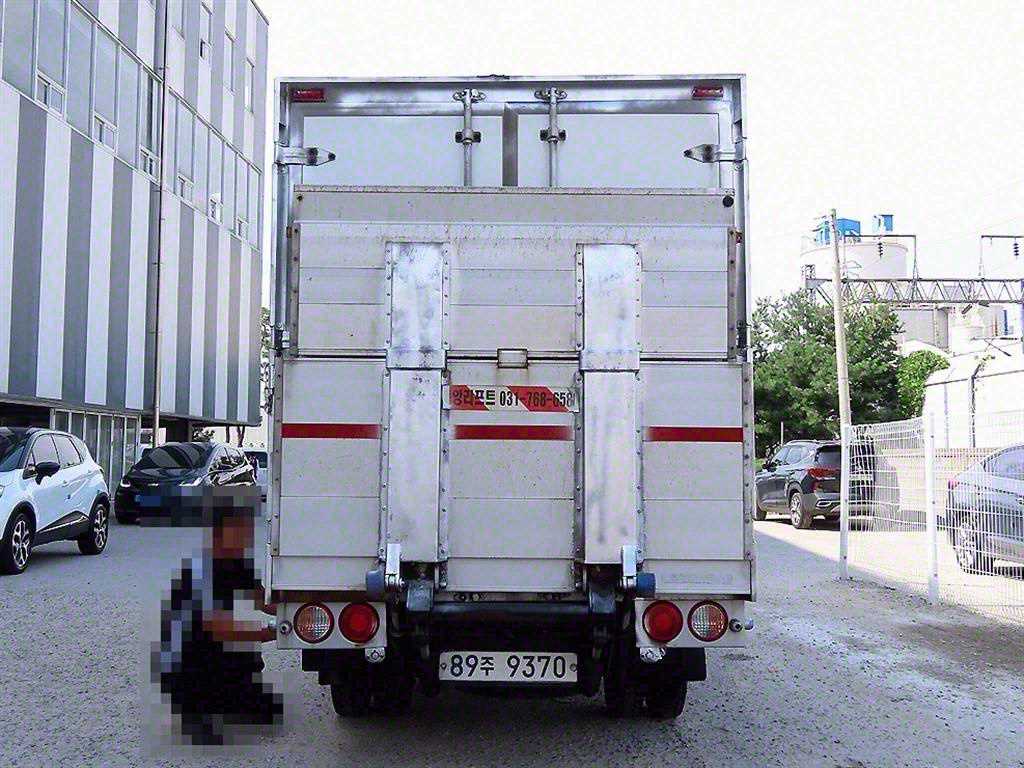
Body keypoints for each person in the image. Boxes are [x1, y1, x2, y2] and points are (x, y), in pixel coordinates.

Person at [152, 491, 282, 745]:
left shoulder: (236, 564)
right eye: (238, 531)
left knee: (267, 706)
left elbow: (263, 601)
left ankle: (225, 703)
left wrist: (297, 614)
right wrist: (269, 633)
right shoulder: (202, 571)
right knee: (233, 654)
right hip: (184, 663)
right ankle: (193, 709)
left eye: (246, 531)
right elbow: (218, 629)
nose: (245, 538)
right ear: (217, 534)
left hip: (211, 650)